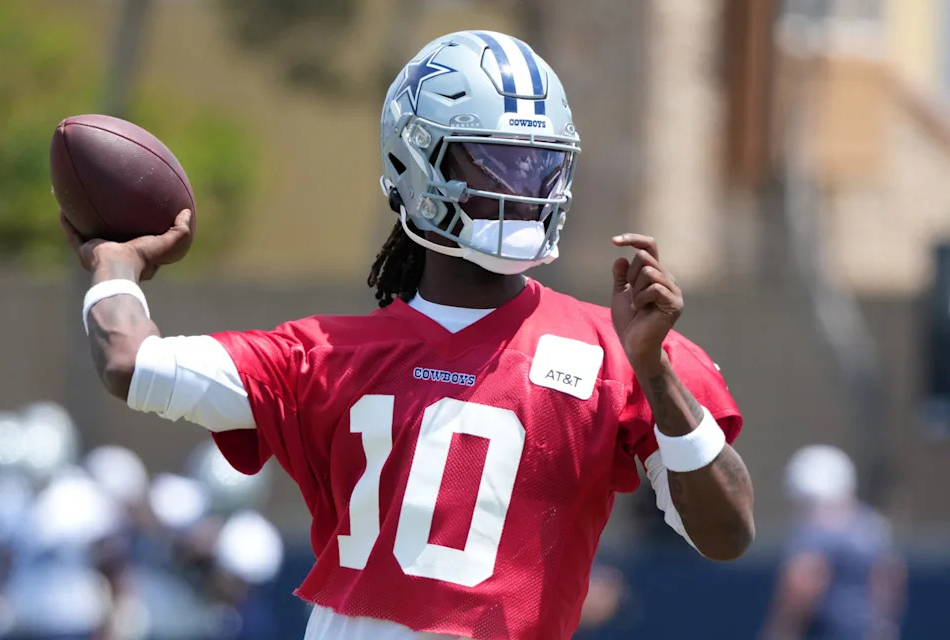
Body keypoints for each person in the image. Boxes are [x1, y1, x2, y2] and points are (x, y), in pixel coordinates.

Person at [61, 30, 754, 640]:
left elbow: (727, 535)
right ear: (417, 165)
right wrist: (116, 264)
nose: (526, 188)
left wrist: (655, 372)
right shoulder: (323, 356)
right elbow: (131, 363)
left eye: (540, 165)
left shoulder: (621, 350)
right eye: (497, 163)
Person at [761, 445, 905, 640]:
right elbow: (890, 579)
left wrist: (781, 632)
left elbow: (801, 585)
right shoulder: (872, 527)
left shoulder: (816, 531)